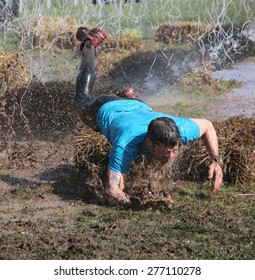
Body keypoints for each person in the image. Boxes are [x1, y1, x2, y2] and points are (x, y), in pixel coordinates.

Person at [73, 26, 223, 206]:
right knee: (81, 98)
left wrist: (216, 160)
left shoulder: (179, 129)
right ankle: (90, 45)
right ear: (149, 143)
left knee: (143, 113)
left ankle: (129, 95)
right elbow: (113, 189)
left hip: (139, 106)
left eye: (174, 149)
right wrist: (139, 203)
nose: (171, 156)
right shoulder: (125, 144)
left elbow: (207, 125)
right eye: (166, 151)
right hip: (106, 106)